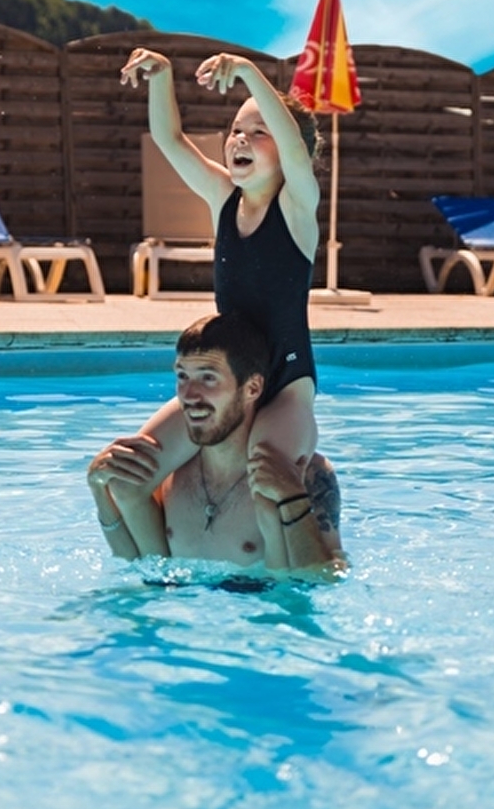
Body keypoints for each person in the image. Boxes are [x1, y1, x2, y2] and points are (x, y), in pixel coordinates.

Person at [118, 47, 321, 504]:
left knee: (268, 477)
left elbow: (294, 149)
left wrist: (248, 72)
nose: (240, 140)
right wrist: (162, 77)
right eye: (235, 131)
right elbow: (170, 139)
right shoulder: (223, 198)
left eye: (259, 132)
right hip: (225, 382)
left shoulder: (296, 207)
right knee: (128, 473)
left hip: (285, 385)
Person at [87, 314, 344, 575]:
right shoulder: (169, 477)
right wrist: (99, 491)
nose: (189, 395)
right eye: (182, 376)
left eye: (208, 378)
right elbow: (138, 565)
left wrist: (294, 499)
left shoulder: (303, 474)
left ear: (252, 388)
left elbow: (328, 577)